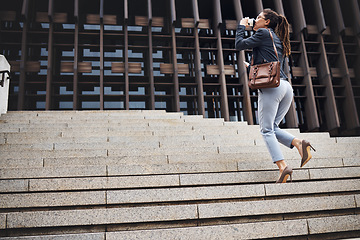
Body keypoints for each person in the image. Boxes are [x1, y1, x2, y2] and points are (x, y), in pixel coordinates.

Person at [235, 9, 315, 183]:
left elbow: (239, 44)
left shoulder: (263, 33)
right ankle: (299, 143)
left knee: (265, 130)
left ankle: (282, 166)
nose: (255, 20)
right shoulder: (275, 38)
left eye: (258, 18)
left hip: (272, 88)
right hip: (285, 87)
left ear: (267, 22)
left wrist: (241, 26)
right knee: (273, 127)